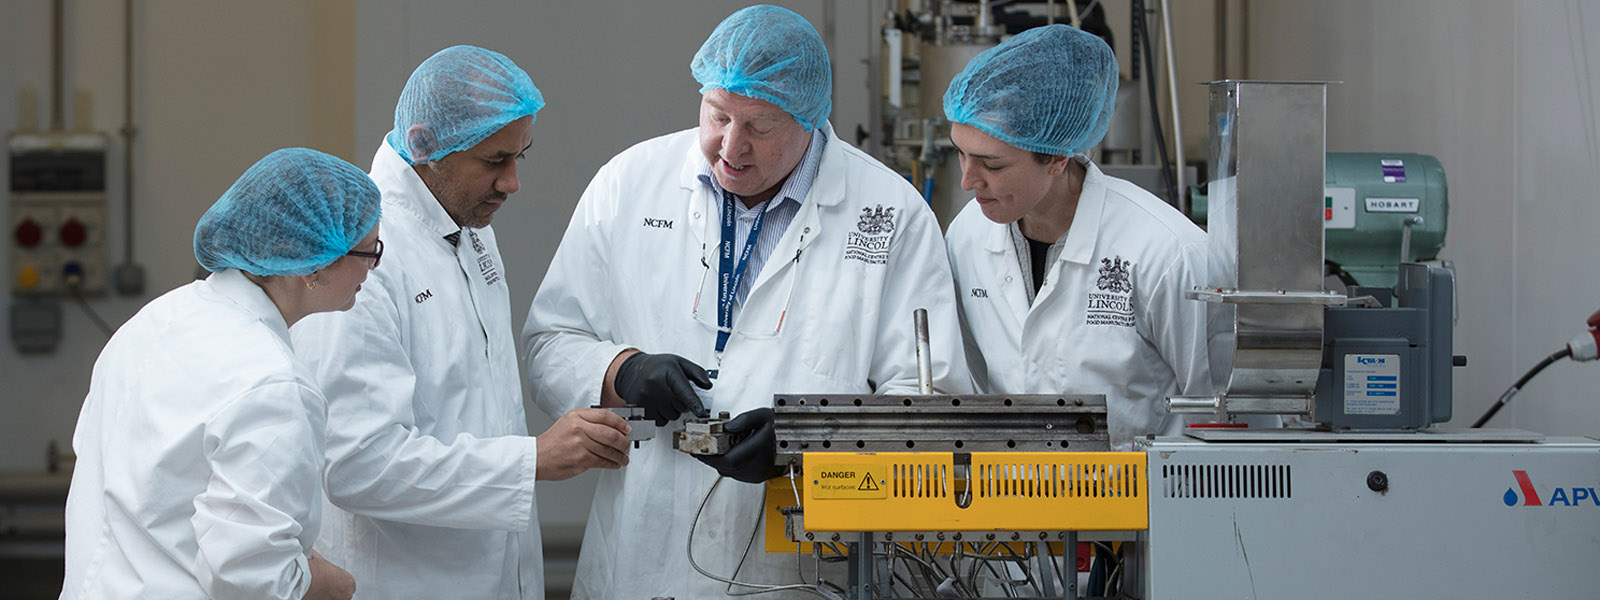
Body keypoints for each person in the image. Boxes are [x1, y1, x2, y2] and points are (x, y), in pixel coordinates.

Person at [522, 5, 970, 598]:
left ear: (810, 120)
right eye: (717, 115)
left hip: (800, 569)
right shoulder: (629, 183)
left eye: (759, 126)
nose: (730, 146)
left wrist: (811, 439)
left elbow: (929, 400)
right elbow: (550, 340)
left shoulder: (889, 216)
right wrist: (619, 371)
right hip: (643, 556)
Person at [290, 45, 632, 600]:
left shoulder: (468, 230)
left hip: (495, 574)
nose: (512, 182)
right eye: (495, 161)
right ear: (427, 145)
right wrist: (531, 460)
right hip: (403, 582)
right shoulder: (361, 256)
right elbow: (356, 463)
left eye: (521, 157)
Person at [62, 148, 378, 599]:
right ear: (314, 265)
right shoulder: (272, 382)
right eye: (370, 253)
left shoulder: (154, 321)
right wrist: (331, 584)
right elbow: (250, 577)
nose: (372, 270)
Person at [942, 24, 1211, 451]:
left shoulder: (1169, 254)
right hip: (1011, 503)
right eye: (959, 152)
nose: (968, 180)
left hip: (1140, 508)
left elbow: (1224, 417)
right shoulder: (968, 235)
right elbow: (969, 382)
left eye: (991, 165)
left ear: (1057, 158)